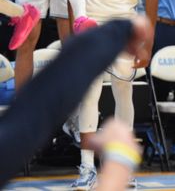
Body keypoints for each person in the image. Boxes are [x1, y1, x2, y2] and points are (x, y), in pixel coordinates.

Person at [71, 0, 162, 189]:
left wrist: (147, 42)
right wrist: (76, 25)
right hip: (93, 21)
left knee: (124, 92)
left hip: (124, 23)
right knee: (90, 93)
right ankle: (86, 168)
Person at [0, 17, 152, 187]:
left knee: (26, 122)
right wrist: (120, 159)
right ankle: (87, 167)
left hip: (112, 24)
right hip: (102, 23)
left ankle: (74, 125)